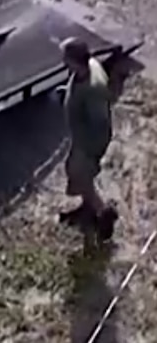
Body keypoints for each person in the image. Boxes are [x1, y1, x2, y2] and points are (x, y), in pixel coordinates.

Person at [56, 37, 118, 242]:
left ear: (75, 61)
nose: (63, 61)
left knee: (81, 176)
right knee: (78, 173)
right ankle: (87, 209)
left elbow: (99, 123)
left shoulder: (94, 89)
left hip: (90, 142)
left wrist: (88, 151)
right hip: (83, 139)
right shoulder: (87, 67)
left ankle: (104, 214)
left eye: (66, 58)